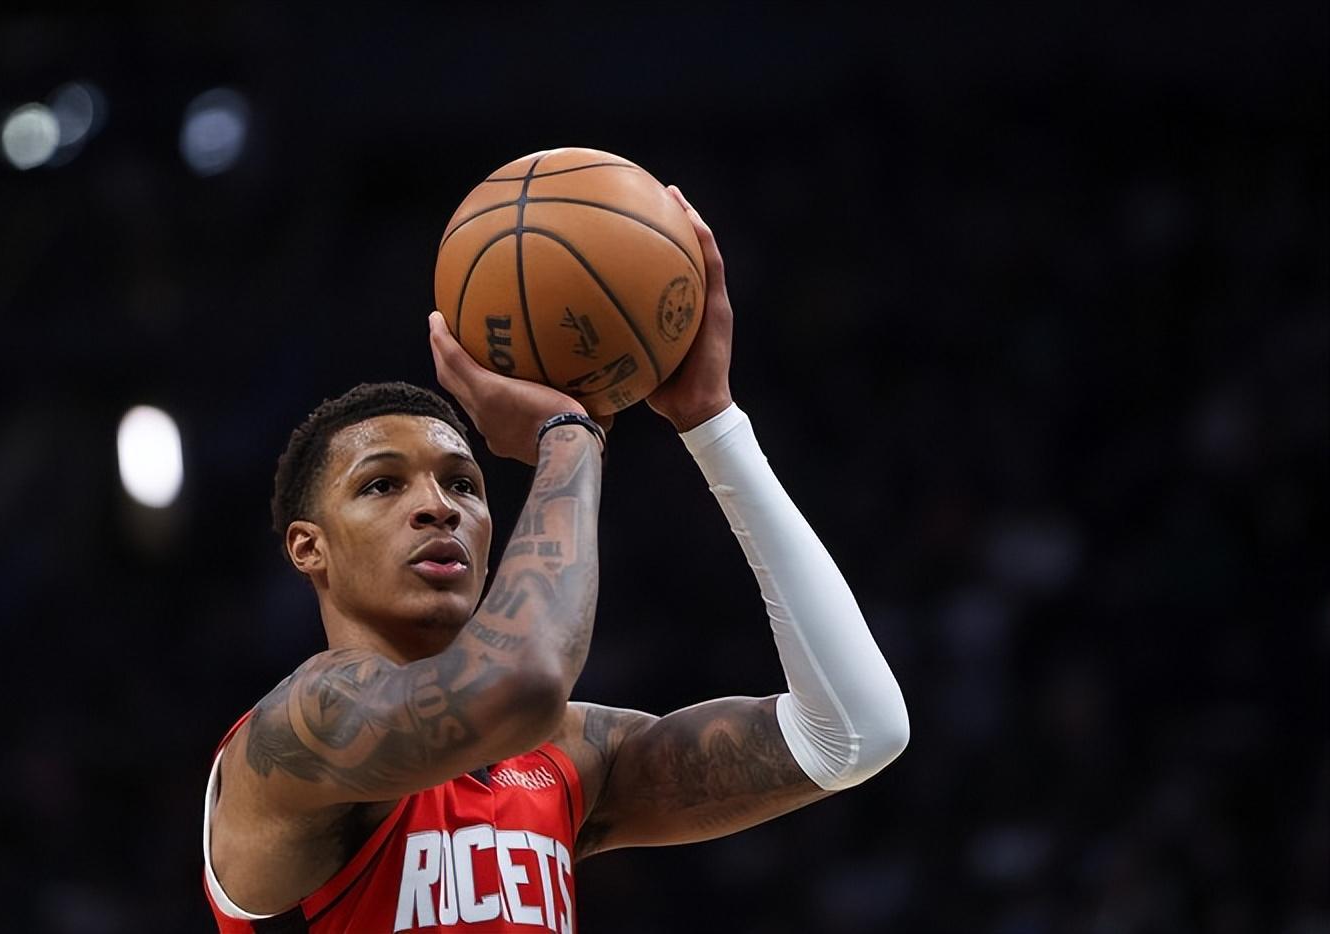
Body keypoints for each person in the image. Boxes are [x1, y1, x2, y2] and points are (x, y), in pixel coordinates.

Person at [202, 187, 910, 933]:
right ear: (308, 547)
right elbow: (521, 684)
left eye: (463, 485)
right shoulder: (300, 730)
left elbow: (854, 733)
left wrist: (713, 424)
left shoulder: (567, 756)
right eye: (382, 485)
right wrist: (570, 435)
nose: (439, 507)